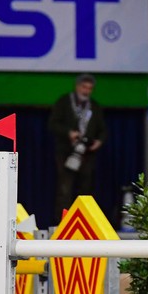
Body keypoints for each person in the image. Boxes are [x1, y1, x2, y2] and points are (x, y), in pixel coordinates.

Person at [48, 74, 106, 223]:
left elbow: (103, 129)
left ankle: (83, 222)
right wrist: (69, 133)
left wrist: (99, 141)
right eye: (84, 87)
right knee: (64, 189)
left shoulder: (94, 106)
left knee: (85, 190)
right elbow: (53, 124)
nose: (86, 91)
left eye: (90, 88)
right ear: (77, 86)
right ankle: (62, 223)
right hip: (66, 152)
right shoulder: (64, 102)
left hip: (87, 154)